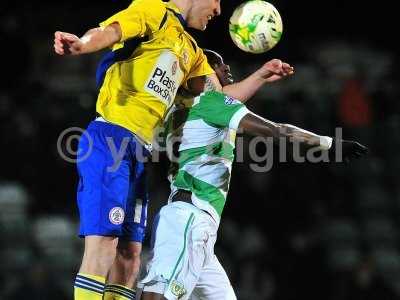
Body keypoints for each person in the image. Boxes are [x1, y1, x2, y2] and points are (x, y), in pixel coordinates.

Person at [53, 0, 294, 299]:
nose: (218, 11)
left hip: (140, 152)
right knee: (103, 241)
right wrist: (81, 45)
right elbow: (111, 31)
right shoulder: (153, 10)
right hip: (111, 136)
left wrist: (259, 76)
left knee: (130, 256)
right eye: (217, 1)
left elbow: (218, 99)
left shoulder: (191, 51)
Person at [138, 49, 368, 300]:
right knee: (157, 297)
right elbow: (278, 131)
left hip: (194, 221)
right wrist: (329, 144)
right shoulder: (211, 104)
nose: (226, 69)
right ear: (202, 73)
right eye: (219, 65)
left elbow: (227, 99)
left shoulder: (181, 109)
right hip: (189, 218)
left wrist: (260, 76)